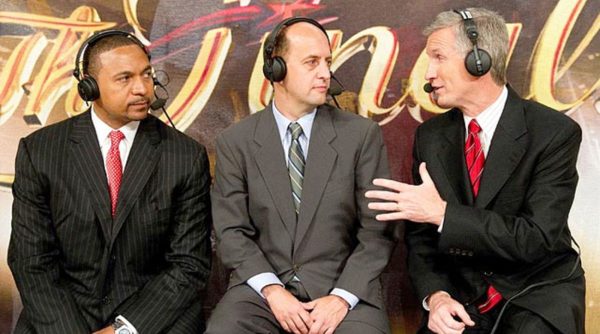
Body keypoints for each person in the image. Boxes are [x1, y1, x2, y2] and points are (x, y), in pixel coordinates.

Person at [366, 8, 585, 334]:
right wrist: (436, 297)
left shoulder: (554, 132)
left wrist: (443, 215)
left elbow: (534, 239)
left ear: (479, 60)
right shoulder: (430, 137)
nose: (428, 73)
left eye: (438, 57)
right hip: (461, 298)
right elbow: (421, 241)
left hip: (535, 296)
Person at [8, 30, 212, 333]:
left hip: (149, 315)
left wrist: (123, 330)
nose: (142, 89)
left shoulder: (185, 156)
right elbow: (31, 260)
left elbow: (188, 264)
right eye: (125, 78)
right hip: (62, 314)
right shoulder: (40, 151)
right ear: (89, 87)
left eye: (147, 75)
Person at [206, 17, 396, 334]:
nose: (325, 73)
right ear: (276, 69)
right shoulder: (235, 142)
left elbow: (378, 234)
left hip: (344, 291)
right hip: (261, 294)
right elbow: (231, 234)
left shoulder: (361, 136)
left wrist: (341, 298)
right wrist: (272, 291)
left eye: (327, 62)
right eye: (311, 62)